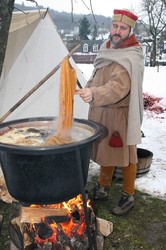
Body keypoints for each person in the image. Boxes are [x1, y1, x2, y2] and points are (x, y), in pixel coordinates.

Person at [75, 8, 144, 215]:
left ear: (130, 30)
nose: (117, 31)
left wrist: (94, 93)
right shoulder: (107, 47)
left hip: (120, 113)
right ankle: (103, 188)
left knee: (126, 154)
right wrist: (89, 86)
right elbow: (98, 72)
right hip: (101, 110)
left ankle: (128, 194)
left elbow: (118, 87)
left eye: (123, 28)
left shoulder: (132, 54)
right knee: (106, 151)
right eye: (115, 26)